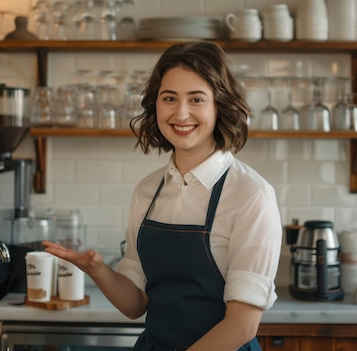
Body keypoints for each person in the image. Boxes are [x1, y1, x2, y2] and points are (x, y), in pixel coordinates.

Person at [43, 41, 282, 351]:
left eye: (196, 99)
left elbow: (241, 326)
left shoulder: (251, 195)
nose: (181, 113)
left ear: (219, 106)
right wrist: (97, 270)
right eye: (169, 98)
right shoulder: (147, 191)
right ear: (155, 106)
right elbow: (135, 304)